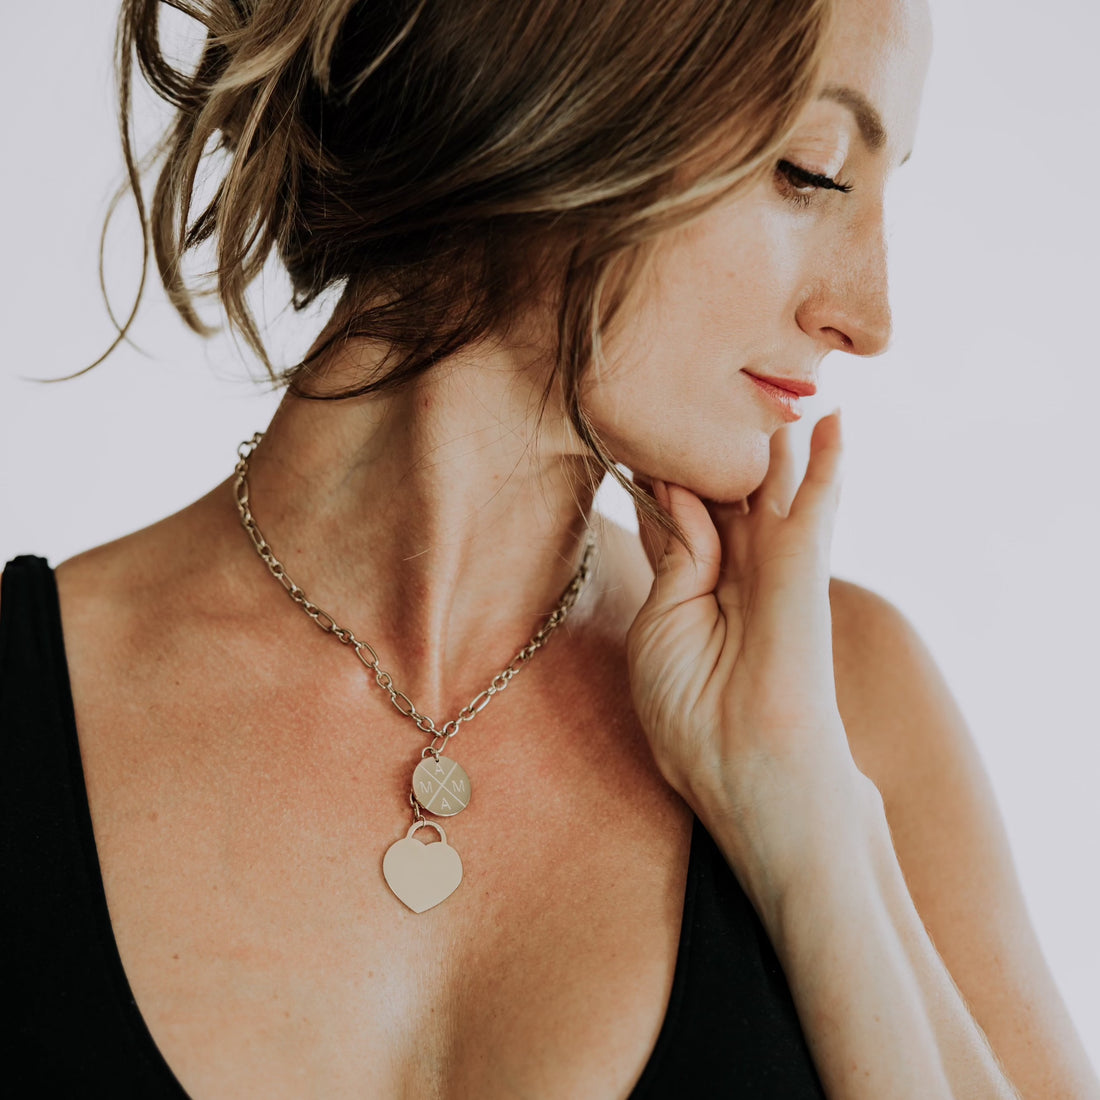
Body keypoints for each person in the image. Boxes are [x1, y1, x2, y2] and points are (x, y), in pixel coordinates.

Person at [1, 0, 1096, 1095]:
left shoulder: (846, 707)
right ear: (551, 81)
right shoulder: (28, 700)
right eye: (806, 173)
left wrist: (811, 831)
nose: (868, 313)